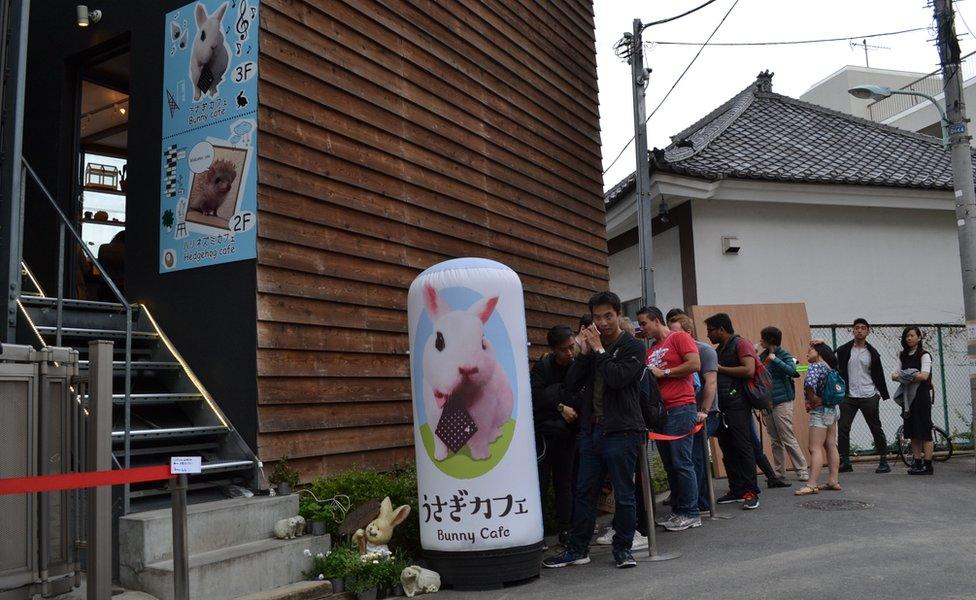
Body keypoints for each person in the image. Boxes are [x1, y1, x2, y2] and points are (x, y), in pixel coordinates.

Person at [543, 292, 646, 570]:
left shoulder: (633, 347)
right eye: (597, 317)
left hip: (622, 430)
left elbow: (617, 379)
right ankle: (578, 549)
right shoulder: (591, 350)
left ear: (618, 315)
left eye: (608, 316)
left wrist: (599, 350)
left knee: (624, 494)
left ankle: (623, 549)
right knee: (584, 491)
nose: (602, 322)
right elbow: (572, 385)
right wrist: (585, 355)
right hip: (592, 431)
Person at [637, 307, 702, 531]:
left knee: (681, 461)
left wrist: (664, 373)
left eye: (644, 323)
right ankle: (678, 511)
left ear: (656, 320)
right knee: (670, 464)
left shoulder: (679, 337)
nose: (642, 328)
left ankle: (691, 512)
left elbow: (695, 365)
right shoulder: (651, 349)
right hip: (662, 412)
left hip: (682, 407)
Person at [704, 313, 761, 510]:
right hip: (723, 406)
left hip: (738, 404)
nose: (708, 334)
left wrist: (720, 368)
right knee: (727, 447)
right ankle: (736, 489)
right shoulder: (720, 349)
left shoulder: (741, 343)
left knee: (742, 446)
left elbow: (749, 370)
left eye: (711, 330)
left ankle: (751, 492)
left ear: (721, 329)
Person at [531, 325, 580, 545]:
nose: (569, 353)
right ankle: (538, 532)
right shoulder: (542, 367)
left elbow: (578, 394)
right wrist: (561, 405)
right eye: (564, 350)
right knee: (540, 484)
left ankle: (566, 529)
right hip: (544, 434)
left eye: (572, 347)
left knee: (565, 483)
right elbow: (536, 396)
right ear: (553, 349)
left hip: (568, 434)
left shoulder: (576, 366)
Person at [667, 313, 718, 515]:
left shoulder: (704, 351)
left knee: (696, 457)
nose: (671, 336)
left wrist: (704, 411)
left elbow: (710, 382)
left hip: (703, 412)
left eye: (675, 332)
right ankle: (694, 501)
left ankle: (699, 503)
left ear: (688, 332)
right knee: (689, 458)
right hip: (684, 411)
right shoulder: (673, 349)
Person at [835, 319, 892, 474]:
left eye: (863, 328)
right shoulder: (844, 350)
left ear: (868, 331)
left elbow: (879, 374)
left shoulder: (872, 352)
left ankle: (883, 461)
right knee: (843, 428)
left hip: (869, 395)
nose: (859, 330)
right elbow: (833, 365)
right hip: (849, 396)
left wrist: (878, 394)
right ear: (853, 331)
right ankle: (845, 461)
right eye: (857, 328)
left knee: (875, 428)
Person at [758, 326, 809, 483]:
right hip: (768, 402)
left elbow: (792, 371)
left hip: (783, 402)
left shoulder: (783, 354)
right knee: (774, 439)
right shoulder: (762, 356)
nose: (760, 341)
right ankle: (779, 473)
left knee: (787, 436)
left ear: (770, 340)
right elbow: (757, 373)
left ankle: (802, 471)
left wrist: (775, 359)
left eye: (763, 338)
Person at [795, 342, 842, 495]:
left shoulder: (815, 366)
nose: (807, 353)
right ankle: (833, 480)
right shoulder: (829, 367)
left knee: (814, 448)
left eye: (811, 350)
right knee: (831, 445)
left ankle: (812, 484)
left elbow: (809, 384)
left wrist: (812, 398)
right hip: (832, 409)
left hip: (820, 411)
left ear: (819, 352)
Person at [892, 326, 934, 475]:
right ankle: (917, 463)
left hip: (921, 396)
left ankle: (928, 465)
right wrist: (910, 375)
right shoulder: (902, 355)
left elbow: (924, 376)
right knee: (912, 431)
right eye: (906, 336)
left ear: (919, 337)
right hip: (907, 398)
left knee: (925, 430)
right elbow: (893, 375)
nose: (909, 338)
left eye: (911, 335)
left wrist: (905, 376)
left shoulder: (924, 355)